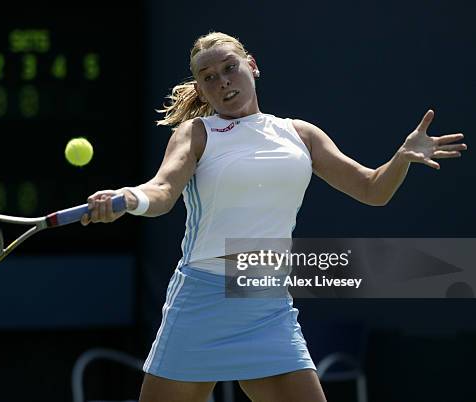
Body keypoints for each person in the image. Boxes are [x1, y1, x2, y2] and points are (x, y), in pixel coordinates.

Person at [81, 32, 467, 402]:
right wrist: (129, 197)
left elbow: (372, 190)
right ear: (200, 89)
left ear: (252, 65)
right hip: (202, 298)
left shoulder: (300, 134)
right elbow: (163, 192)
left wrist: (400, 159)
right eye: (209, 77)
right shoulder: (196, 133)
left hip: (264, 299)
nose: (223, 81)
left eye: (230, 68)